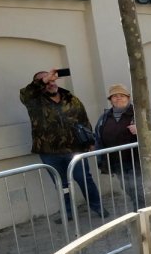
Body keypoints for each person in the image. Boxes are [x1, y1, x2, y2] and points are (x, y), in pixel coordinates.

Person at [20, 68, 106, 220]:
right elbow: (27, 93)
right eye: (46, 81)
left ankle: (97, 207)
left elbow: (83, 120)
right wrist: (44, 80)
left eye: (53, 80)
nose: (50, 83)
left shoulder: (70, 98)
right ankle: (68, 213)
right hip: (49, 153)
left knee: (84, 179)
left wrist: (91, 141)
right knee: (61, 185)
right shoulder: (33, 100)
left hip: (75, 149)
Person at [93, 84, 151, 212]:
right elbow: (97, 138)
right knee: (131, 193)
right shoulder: (104, 117)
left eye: (122, 96)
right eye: (115, 96)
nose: (118, 98)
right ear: (110, 99)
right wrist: (101, 161)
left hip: (138, 163)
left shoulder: (139, 114)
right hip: (118, 164)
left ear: (128, 98)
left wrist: (141, 130)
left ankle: (149, 220)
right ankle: (142, 218)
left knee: (141, 193)